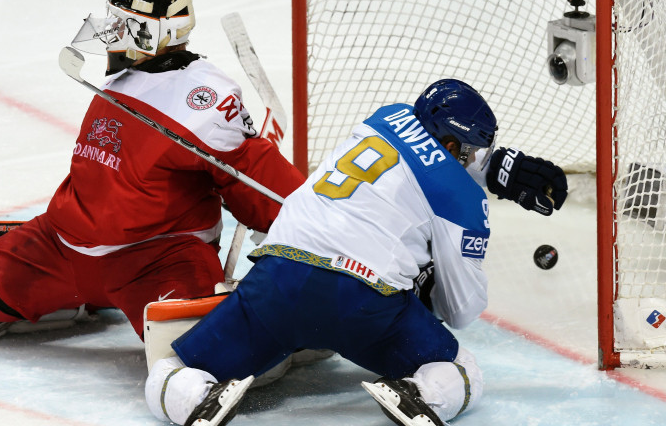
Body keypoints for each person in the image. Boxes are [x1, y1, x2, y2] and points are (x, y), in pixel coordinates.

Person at [0, 0, 304, 343]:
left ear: (153, 35)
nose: (109, 32)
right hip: (63, 245)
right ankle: (82, 295)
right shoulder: (122, 80)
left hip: (156, 258)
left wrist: (308, 231)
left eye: (123, 24)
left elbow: (254, 180)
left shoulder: (205, 101)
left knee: (202, 345)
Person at [143, 79, 568, 426]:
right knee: (461, 369)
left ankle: (193, 398)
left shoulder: (385, 118)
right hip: (362, 308)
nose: (477, 161)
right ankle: (421, 395)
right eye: (474, 152)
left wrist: (492, 169)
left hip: (277, 280)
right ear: (456, 147)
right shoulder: (461, 200)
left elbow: (426, 156)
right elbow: (460, 309)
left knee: (171, 367)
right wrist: (426, 285)